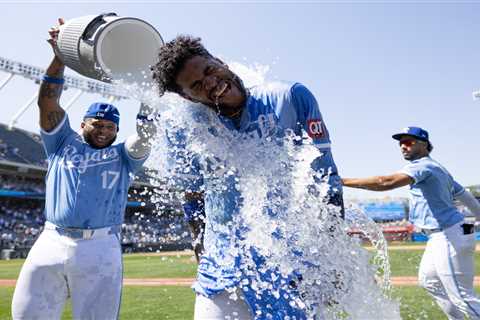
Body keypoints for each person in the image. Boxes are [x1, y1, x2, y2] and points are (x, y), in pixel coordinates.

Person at [152, 35, 344, 319]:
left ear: (219, 61)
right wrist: (202, 257)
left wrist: (333, 257)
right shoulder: (183, 128)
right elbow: (192, 197)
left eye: (208, 70)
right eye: (195, 85)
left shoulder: (289, 97)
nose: (210, 83)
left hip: (292, 265)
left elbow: (326, 179)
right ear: (186, 97)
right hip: (222, 270)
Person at [11, 18, 156, 320]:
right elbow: (47, 101)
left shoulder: (123, 154)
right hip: (51, 239)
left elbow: (145, 137)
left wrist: (148, 91)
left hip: (100, 245)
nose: (104, 131)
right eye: (97, 124)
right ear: (83, 124)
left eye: (110, 127)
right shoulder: (62, 142)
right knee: (26, 315)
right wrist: (60, 55)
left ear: (117, 130)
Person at [342, 126, 480, 319]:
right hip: (444, 235)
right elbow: (465, 196)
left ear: (424, 144)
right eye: (400, 143)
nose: (403, 146)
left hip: (448, 235)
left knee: (462, 297)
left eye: (408, 142)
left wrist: (342, 181)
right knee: (430, 281)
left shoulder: (423, 166)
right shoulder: (438, 169)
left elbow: (385, 182)